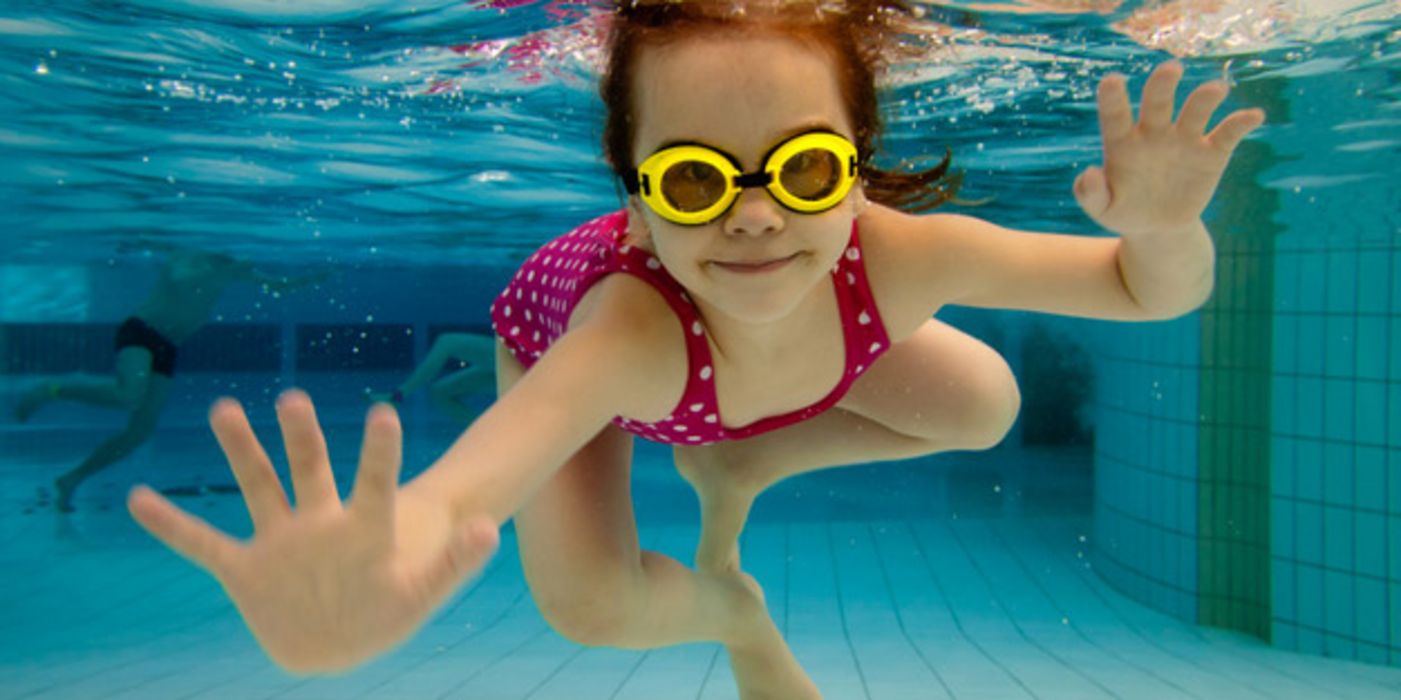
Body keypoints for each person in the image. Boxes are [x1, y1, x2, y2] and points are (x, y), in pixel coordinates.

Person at [124, 1, 1266, 697]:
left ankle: (743, 457)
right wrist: (373, 578)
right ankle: (737, 614)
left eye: (805, 168)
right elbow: (466, 484)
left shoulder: (899, 254)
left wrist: (1165, 227)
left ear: (858, 169)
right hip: (593, 352)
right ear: (634, 201)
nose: (756, 216)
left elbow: (1138, 289)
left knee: (984, 402)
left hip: (753, 388)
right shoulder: (628, 333)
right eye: (694, 179)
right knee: (591, 607)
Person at [14, 248, 325, 512]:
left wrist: (316, 276)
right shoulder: (190, 257)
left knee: (139, 433)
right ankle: (51, 389)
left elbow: (279, 286)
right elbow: (181, 277)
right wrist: (223, 271)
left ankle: (70, 479)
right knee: (128, 396)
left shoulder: (227, 268)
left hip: (167, 346)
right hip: (141, 332)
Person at [365, 332, 497, 423]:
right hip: (513, 357)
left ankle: (397, 396)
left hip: (515, 355)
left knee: (448, 342)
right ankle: (493, 438)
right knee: (440, 392)